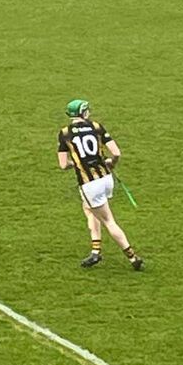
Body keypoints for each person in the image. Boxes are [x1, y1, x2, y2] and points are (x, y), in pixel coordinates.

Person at [57, 100, 144, 271]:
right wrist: (111, 163)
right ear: (84, 113)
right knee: (89, 209)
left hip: (89, 183)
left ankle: (132, 256)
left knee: (108, 220)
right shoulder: (96, 126)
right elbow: (116, 153)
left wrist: (76, 163)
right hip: (106, 178)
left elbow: (63, 165)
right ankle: (95, 251)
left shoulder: (65, 133)